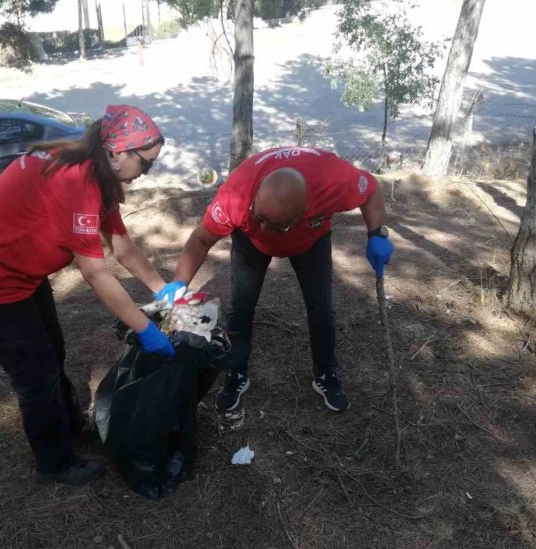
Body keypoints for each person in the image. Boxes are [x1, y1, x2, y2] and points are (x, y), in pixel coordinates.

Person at [0, 104, 184, 486]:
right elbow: (94, 272)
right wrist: (145, 328)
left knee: (53, 351)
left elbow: (122, 248)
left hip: (23, 272)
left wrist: (162, 290)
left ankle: (70, 425)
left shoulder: (98, 173)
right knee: (35, 375)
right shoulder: (77, 184)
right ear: (117, 152)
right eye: (146, 164)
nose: (146, 173)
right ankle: (53, 461)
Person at [165, 146, 395, 413]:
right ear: (259, 190)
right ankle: (236, 373)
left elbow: (370, 189)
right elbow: (201, 239)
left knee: (321, 307)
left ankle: (326, 373)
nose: (265, 228)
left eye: (273, 226)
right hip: (250, 242)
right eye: (260, 216)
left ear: (306, 208)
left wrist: (377, 234)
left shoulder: (333, 181)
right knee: (240, 307)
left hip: (311, 239)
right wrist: (178, 285)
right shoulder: (236, 197)